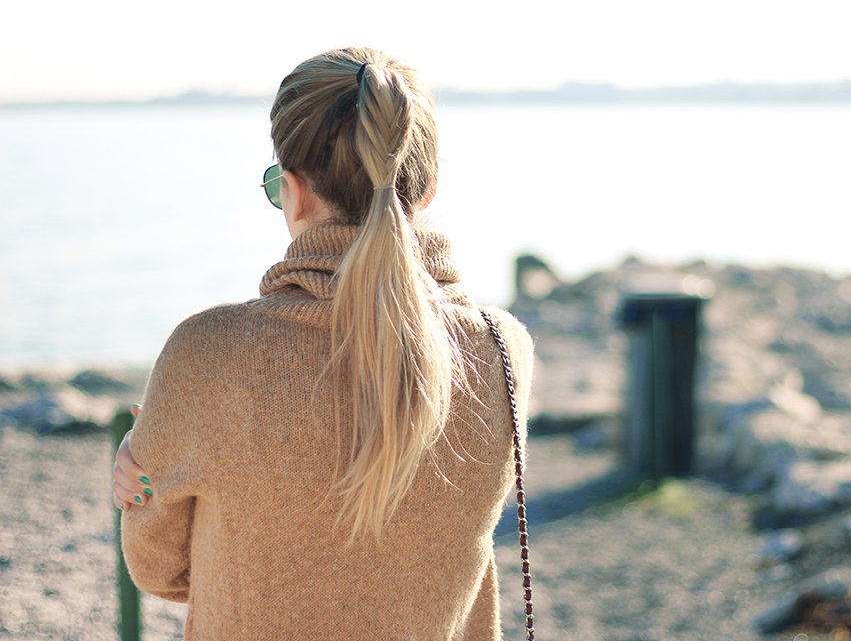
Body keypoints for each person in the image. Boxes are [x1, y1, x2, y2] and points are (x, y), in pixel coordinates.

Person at [111, 47, 534, 640]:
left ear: (292, 191)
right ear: (430, 186)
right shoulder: (502, 349)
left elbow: (160, 571)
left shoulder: (209, 352)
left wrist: (140, 475)